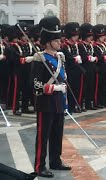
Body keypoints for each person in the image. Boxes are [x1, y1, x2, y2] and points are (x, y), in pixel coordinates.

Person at [32, 16, 71, 178]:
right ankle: (39, 166)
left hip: (58, 103)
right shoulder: (40, 59)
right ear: (48, 42)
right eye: (56, 40)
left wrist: (64, 96)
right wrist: (54, 87)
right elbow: (35, 85)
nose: (59, 43)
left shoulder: (59, 57)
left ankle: (55, 161)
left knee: (57, 133)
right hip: (46, 103)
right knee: (43, 136)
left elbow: (64, 78)